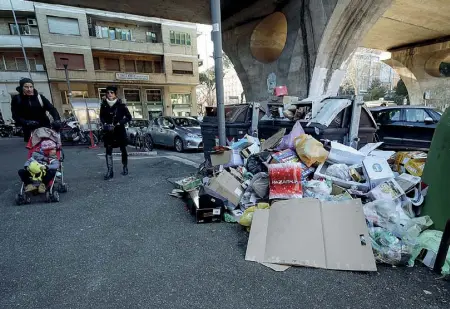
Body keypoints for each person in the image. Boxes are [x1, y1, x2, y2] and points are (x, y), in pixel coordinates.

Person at [11, 78, 61, 142]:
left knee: (49, 148)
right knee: (34, 150)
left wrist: (57, 119)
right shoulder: (17, 99)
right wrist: (26, 122)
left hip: (44, 128)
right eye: (26, 87)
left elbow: (52, 109)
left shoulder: (40, 97)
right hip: (29, 131)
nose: (29, 89)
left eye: (31, 87)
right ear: (21, 87)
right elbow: (15, 115)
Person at [100, 85, 132, 180]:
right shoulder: (104, 105)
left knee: (123, 150)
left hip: (119, 131)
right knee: (108, 151)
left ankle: (125, 167)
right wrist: (104, 123)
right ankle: (110, 171)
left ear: (115, 94)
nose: (109, 94)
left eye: (111, 92)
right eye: (108, 92)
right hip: (108, 131)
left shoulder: (121, 105)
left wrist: (120, 122)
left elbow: (129, 117)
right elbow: (101, 116)